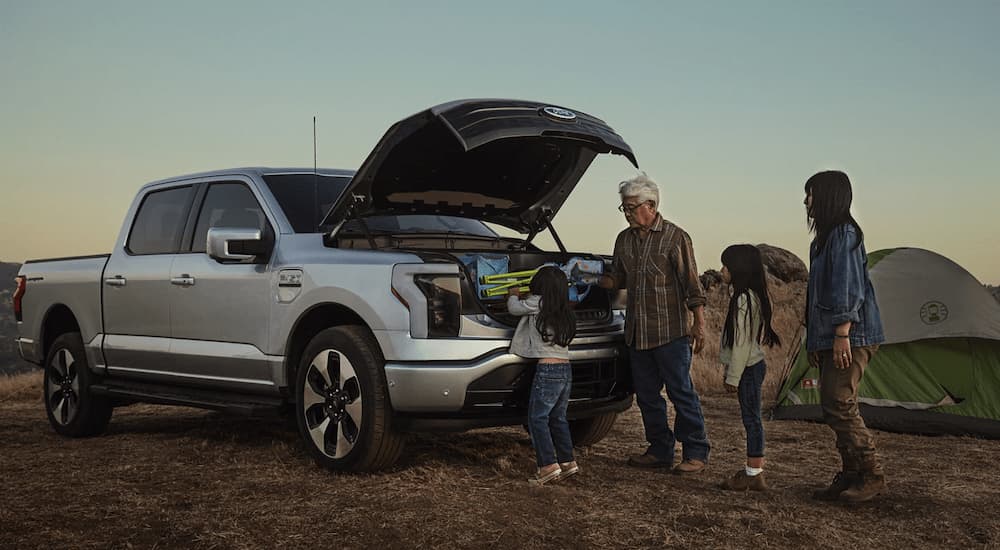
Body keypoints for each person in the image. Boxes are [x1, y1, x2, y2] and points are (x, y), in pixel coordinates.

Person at [598, 173, 711, 474]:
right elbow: (619, 277)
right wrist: (598, 279)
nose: (627, 213)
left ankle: (696, 452)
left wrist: (699, 324)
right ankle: (660, 450)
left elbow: (692, 285)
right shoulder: (623, 240)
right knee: (647, 396)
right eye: (623, 208)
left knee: (681, 393)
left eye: (630, 207)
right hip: (637, 332)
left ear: (650, 204)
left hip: (671, 332)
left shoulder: (676, 237)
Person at [803, 170, 886, 502]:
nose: (806, 201)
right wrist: (816, 341)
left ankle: (871, 473)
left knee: (840, 402)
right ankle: (851, 473)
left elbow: (847, 287)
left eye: (811, 194)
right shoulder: (822, 241)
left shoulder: (845, 234)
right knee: (830, 404)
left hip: (853, 333)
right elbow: (815, 295)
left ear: (827, 197)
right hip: (831, 335)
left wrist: (841, 334)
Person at [716, 245, 781, 491]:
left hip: (749, 368)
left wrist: (733, 377)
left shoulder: (744, 300)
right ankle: (753, 470)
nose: (722, 270)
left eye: (726, 265)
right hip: (751, 367)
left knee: (752, 419)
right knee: (751, 418)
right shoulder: (749, 297)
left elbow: (741, 344)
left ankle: (754, 472)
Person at [508, 265, 579, 485]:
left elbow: (513, 309)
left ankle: (547, 465)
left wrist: (513, 294)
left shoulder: (537, 302)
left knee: (537, 418)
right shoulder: (564, 308)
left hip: (547, 370)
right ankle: (567, 461)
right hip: (565, 369)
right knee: (558, 417)